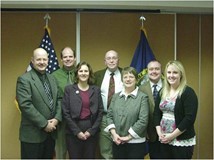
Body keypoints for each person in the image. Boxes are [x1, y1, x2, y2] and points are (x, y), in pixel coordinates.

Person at [16, 48, 62, 159]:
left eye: (44, 59)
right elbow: (25, 105)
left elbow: (60, 99)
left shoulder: (52, 78)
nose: (42, 62)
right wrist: (45, 124)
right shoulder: (24, 79)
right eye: (38, 59)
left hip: (50, 135)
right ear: (32, 60)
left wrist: (56, 119)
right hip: (32, 136)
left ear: (48, 60)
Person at [153, 60, 198, 159]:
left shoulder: (188, 92)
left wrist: (172, 136)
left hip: (181, 141)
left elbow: (189, 118)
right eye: (169, 72)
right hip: (163, 139)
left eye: (175, 72)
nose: (171, 75)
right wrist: (159, 133)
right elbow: (156, 114)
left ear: (181, 74)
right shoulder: (162, 91)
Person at [104, 67, 149, 159]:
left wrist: (128, 137)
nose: (128, 79)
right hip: (117, 141)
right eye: (125, 77)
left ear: (136, 80)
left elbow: (143, 120)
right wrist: (114, 134)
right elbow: (109, 116)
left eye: (131, 77)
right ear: (122, 80)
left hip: (136, 144)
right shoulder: (116, 97)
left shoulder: (143, 97)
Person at [62, 61, 103, 159]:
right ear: (77, 73)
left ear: (89, 73)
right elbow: (65, 112)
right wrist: (77, 132)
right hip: (73, 132)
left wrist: (91, 131)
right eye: (81, 71)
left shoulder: (96, 90)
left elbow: (100, 111)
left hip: (91, 131)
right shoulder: (69, 90)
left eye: (86, 71)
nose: (83, 73)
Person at [94, 50, 123, 159]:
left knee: (121, 147)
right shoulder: (97, 75)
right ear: (105, 61)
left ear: (118, 60)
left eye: (114, 58)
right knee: (105, 150)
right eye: (109, 58)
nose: (111, 60)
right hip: (104, 118)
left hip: (122, 117)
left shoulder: (126, 74)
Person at [52, 47, 76, 159]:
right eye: (65, 57)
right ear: (61, 59)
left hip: (78, 118)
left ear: (75, 58)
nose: (68, 59)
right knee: (60, 150)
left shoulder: (81, 72)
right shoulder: (54, 76)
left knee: (76, 151)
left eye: (70, 56)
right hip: (61, 117)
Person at [139, 60, 163, 159]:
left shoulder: (170, 86)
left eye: (157, 69)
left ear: (161, 71)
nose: (154, 71)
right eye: (151, 69)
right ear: (147, 71)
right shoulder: (141, 88)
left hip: (169, 132)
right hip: (150, 134)